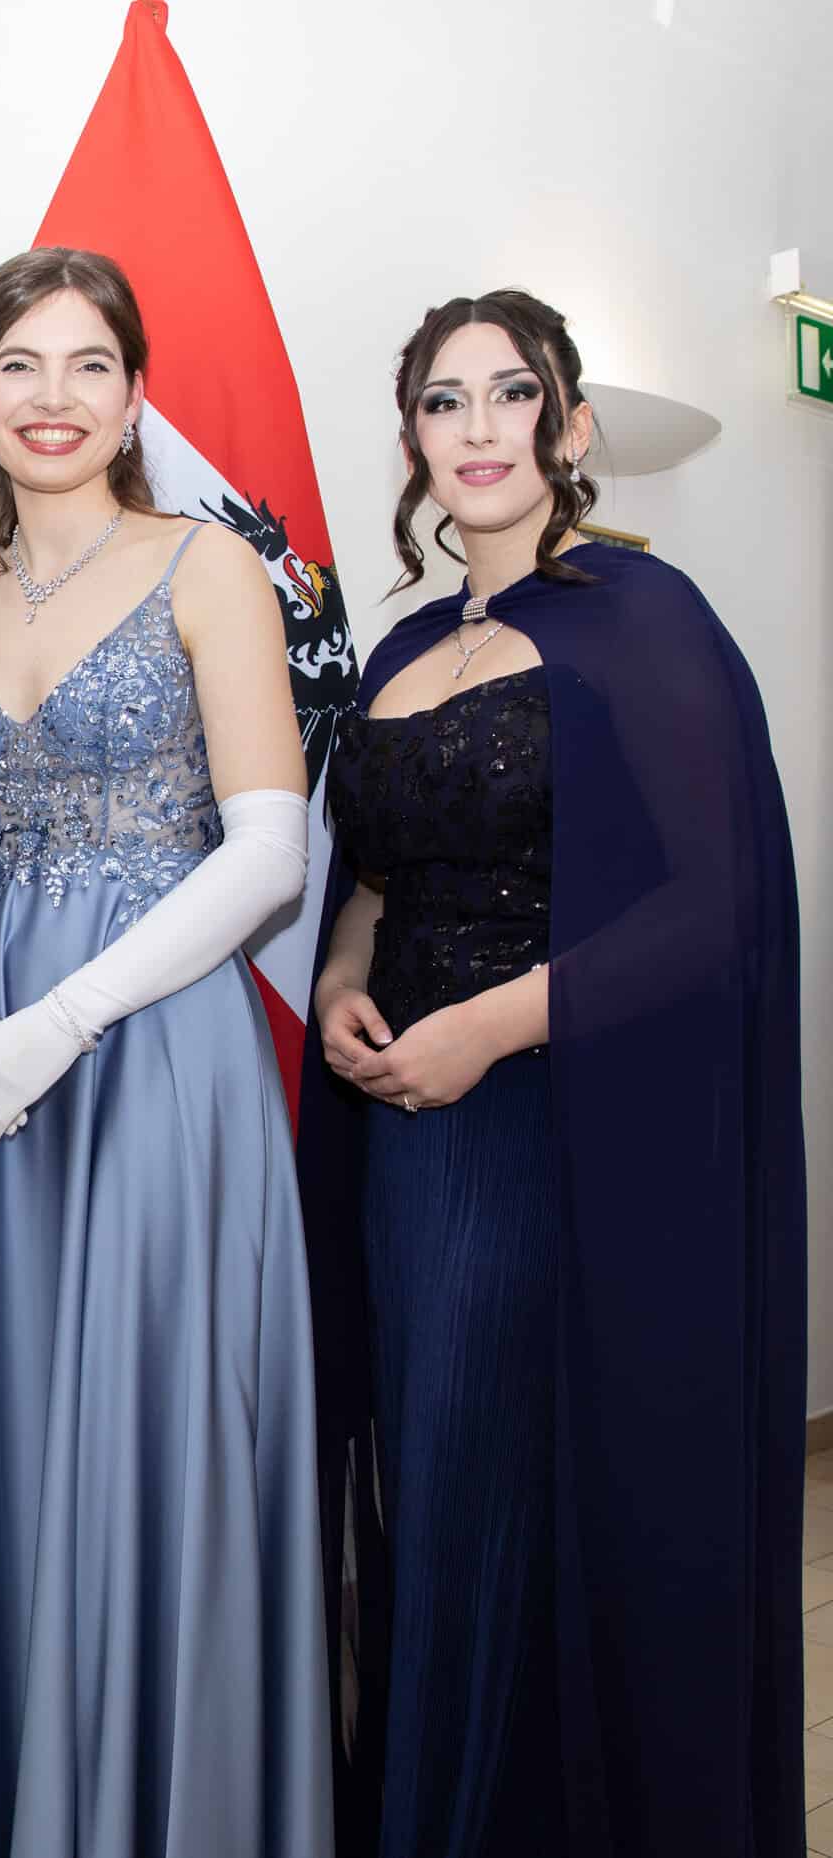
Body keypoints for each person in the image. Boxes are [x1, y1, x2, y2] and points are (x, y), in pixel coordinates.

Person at [302, 288, 806, 1858]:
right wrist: (338, 980)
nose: (476, 428)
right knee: (429, 1498)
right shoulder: (399, 647)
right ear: (411, 440)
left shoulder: (644, 618)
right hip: (400, 1138)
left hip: (549, 1127)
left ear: (569, 422)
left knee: (484, 1503)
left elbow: (714, 904)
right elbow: (373, 876)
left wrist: (490, 1027)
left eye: (508, 393)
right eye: (441, 401)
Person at [0, 247, 333, 1858]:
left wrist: (61, 1021)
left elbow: (268, 851)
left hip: (150, 1054)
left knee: (146, 1435)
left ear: (135, 397)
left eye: (88, 365)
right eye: (19, 364)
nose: (52, 397)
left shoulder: (208, 567)